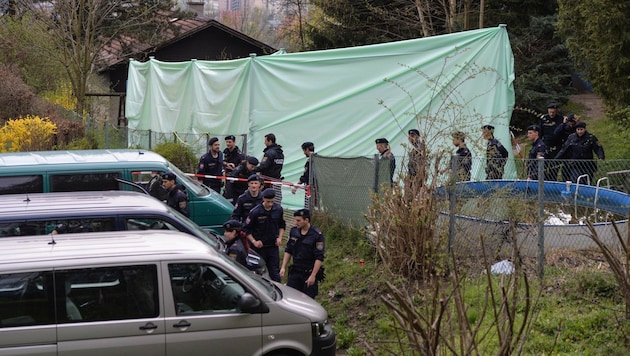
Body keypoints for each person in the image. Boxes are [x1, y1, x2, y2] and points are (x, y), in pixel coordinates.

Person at [280, 209, 325, 299]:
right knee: (291, 298)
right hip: (295, 272)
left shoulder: (317, 235)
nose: (296, 223)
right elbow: (289, 250)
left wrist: (313, 275)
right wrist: (283, 267)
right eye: (295, 220)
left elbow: (319, 257)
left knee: (307, 300)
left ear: (306, 220)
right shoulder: (294, 231)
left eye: (298, 220)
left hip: (308, 273)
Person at [244, 188, 286, 282]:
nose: (270, 204)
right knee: (257, 272)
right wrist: (254, 241)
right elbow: (246, 229)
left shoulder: (278, 209)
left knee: (275, 272)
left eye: (272, 201)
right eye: (268, 202)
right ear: (263, 199)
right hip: (259, 248)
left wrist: (280, 237)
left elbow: (282, 225)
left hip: (273, 246)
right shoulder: (255, 212)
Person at [539, 103, 564, 180]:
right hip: (546, 144)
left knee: (554, 165)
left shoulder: (560, 119)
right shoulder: (543, 118)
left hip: (557, 145)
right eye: (550, 112)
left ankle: (553, 180)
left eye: (553, 112)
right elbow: (540, 131)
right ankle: (545, 180)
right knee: (545, 164)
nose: (552, 114)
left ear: (556, 111)